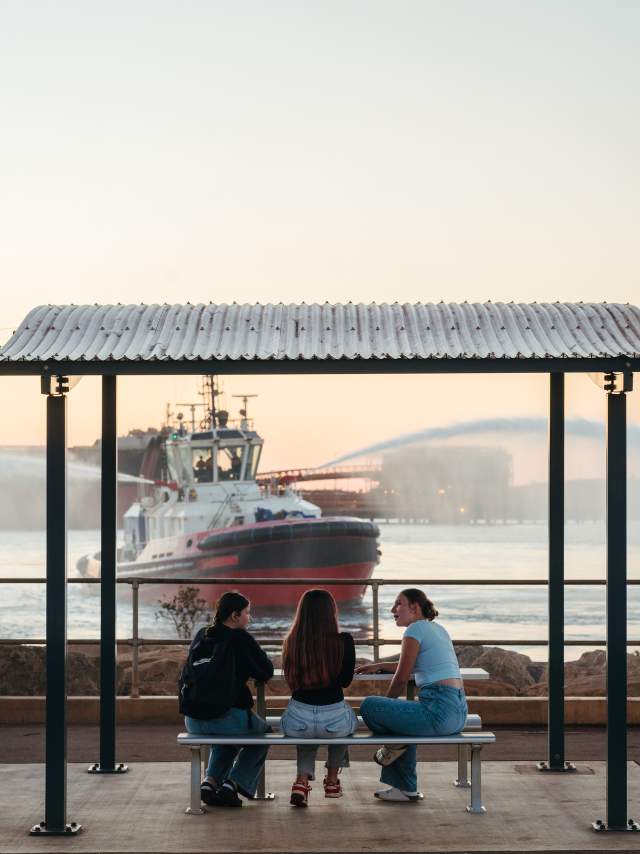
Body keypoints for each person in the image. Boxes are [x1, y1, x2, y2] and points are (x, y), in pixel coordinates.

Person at [356, 588, 467, 802]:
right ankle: (405, 789)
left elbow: (401, 677)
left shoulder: (414, 630)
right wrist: (379, 666)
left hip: (438, 712)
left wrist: (387, 707)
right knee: (400, 724)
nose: (392, 609)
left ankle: (396, 755)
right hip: (458, 713)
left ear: (414, 607)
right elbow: (412, 665)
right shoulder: (438, 629)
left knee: (370, 706)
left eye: (398, 604)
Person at [183, 591, 274, 808]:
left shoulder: (201, 634)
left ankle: (210, 782)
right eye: (247, 613)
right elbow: (265, 671)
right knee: (262, 736)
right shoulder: (240, 637)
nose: (248, 618)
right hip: (224, 716)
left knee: (227, 741)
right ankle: (233, 784)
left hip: (193, 719)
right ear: (235, 615)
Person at [281, 589, 358, 807]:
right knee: (345, 721)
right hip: (333, 722)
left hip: (298, 721)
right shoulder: (344, 641)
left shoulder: (292, 641)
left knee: (307, 726)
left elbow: (291, 680)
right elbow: (345, 681)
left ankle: (301, 781)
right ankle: (332, 780)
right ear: (331, 612)